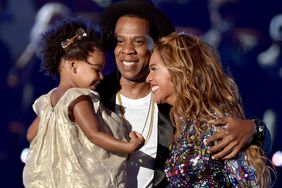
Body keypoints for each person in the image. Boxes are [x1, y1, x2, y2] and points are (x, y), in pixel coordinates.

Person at [98, 0, 271, 187]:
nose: (127, 50)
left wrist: (256, 129)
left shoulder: (175, 106)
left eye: (139, 41)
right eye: (120, 41)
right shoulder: (95, 95)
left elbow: (250, 170)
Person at [22, 17, 144, 188]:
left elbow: (30, 134)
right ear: (73, 65)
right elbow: (94, 134)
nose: (101, 76)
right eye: (96, 69)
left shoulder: (48, 99)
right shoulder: (78, 98)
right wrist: (128, 147)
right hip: (80, 179)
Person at [146, 32, 275, 187]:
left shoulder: (218, 123)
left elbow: (252, 183)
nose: (148, 78)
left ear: (179, 69)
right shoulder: (184, 124)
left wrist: (257, 128)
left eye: (154, 69)